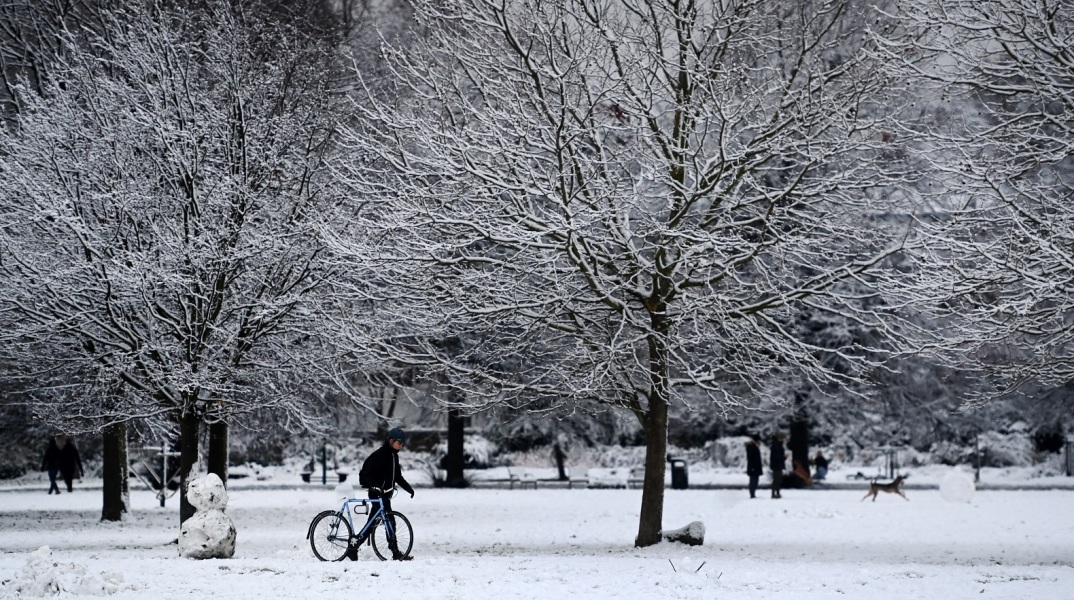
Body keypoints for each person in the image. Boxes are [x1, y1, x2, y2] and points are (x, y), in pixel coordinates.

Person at [349, 427, 415, 561]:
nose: (401, 446)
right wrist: (375, 487)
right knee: (390, 521)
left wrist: (409, 489)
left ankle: (354, 546)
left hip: (385, 495)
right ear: (391, 441)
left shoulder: (393, 456)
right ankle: (395, 552)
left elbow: (398, 477)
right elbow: (365, 475)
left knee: (373, 524)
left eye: (403, 444)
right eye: (400, 443)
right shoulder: (379, 455)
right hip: (377, 495)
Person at [745, 434, 763, 499]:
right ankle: (752, 494)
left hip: (756, 466)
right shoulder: (751, 447)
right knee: (753, 481)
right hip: (753, 467)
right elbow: (750, 458)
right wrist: (752, 467)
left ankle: (753, 493)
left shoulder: (755, 447)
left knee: (756, 481)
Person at [769, 433, 786, 499]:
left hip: (776, 465)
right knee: (777, 480)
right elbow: (777, 456)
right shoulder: (777, 446)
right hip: (777, 465)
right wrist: (784, 457)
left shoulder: (776, 445)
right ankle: (774, 493)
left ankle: (776, 493)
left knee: (777, 479)